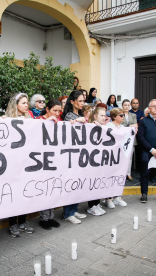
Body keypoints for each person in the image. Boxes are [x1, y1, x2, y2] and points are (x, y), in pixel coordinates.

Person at [5, 93, 35, 237]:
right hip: (13, 164)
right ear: (16, 104)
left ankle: (22, 222)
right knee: (14, 194)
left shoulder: (30, 118)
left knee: (25, 193)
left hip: (27, 162)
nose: (26, 105)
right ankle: (12, 224)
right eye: (23, 103)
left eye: (27, 102)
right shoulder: (8, 120)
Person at [61, 91, 88, 224]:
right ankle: (68, 213)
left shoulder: (80, 114)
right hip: (70, 156)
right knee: (71, 183)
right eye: (80, 101)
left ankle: (74, 209)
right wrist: (78, 121)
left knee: (78, 183)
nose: (83, 103)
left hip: (79, 154)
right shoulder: (68, 116)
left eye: (84, 101)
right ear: (72, 102)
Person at [35, 99, 62, 230]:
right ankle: (44, 218)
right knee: (44, 190)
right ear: (47, 109)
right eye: (54, 110)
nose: (57, 113)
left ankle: (51, 217)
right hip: (42, 160)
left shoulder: (59, 122)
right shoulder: (39, 119)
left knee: (52, 189)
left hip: (55, 160)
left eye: (59, 111)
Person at [86, 107, 108, 216]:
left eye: (105, 115)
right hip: (92, 161)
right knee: (93, 183)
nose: (104, 118)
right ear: (95, 116)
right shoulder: (90, 126)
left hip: (100, 161)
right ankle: (91, 206)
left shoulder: (103, 128)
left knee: (99, 183)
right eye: (102, 115)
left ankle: (97, 203)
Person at [105, 108, 128, 208]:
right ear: (114, 116)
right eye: (121, 115)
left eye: (123, 115)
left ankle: (117, 197)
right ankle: (109, 199)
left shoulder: (123, 127)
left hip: (120, 155)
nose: (123, 117)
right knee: (110, 176)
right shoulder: (108, 126)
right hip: (110, 155)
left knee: (119, 175)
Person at [121, 99, 138, 181]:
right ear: (122, 106)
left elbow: (135, 126)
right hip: (122, 138)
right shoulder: (119, 114)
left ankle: (128, 174)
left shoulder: (133, 115)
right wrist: (129, 127)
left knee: (130, 157)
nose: (127, 107)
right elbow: (119, 125)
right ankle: (122, 174)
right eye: (125, 105)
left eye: (128, 105)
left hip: (131, 138)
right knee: (121, 157)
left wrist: (131, 126)